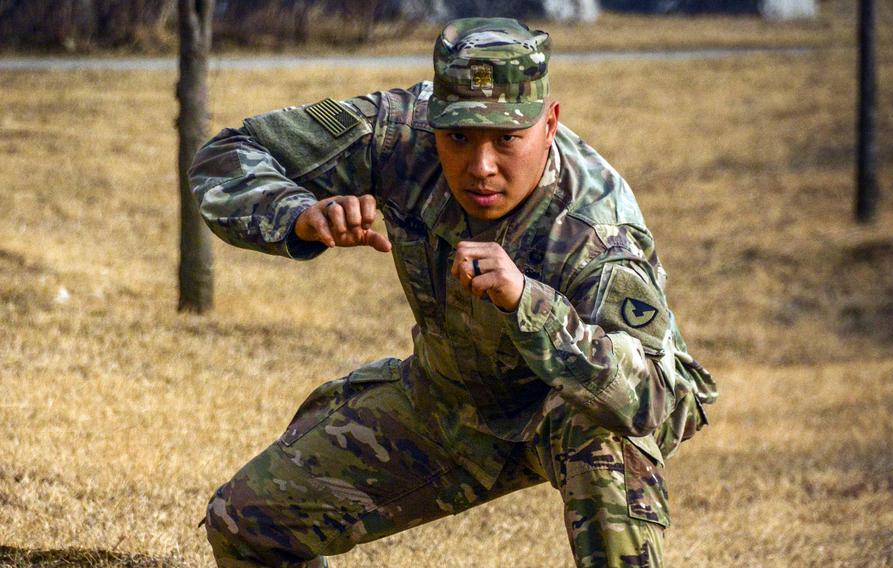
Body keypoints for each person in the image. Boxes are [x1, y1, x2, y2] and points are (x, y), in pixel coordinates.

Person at [190, 17, 716, 568]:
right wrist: (298, 215)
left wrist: (528, 305)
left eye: (508, 138)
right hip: (449, 400)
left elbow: (655, 398)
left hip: (564, 411)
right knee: (246, 522)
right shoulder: (398, 134)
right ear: (433, 119)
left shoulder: (596, 229)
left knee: (610, 443)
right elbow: (226, 156)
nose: (481, 166)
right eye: (458, 136)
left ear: (549, 123)